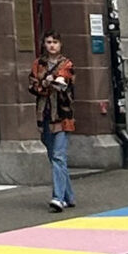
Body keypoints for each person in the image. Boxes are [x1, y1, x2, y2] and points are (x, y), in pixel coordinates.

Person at [30, 32, 77, 211]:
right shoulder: (38, 64)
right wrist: (46, 84)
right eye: (49, 42)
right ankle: (69, 196)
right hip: (44, 115)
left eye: (55, 42)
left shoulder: (66, 64)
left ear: (60, 44)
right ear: (44, 44)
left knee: (58, 156)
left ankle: (58, 198)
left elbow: (65, 84)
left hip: (62, 116)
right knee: (53, 156)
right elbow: (33, 86)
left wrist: (51, 83)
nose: (52, 45)